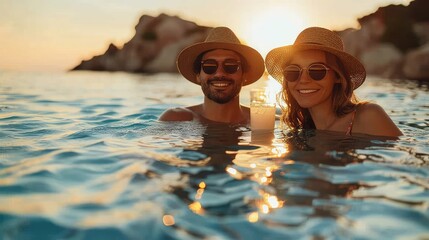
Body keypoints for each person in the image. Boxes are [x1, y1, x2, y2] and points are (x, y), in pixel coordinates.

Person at [265, 27, 402, 137]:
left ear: (337, 76)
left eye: (317, 70)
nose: (304, 80)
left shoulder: (368, 116)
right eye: (293, 72)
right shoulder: (301, 131)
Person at [158, 26, 265, 124]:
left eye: (230, 65)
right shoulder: (176, 119)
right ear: (198, 75)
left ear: (244, 75)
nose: (220, 73)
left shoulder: (264, 121)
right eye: (209, 66)